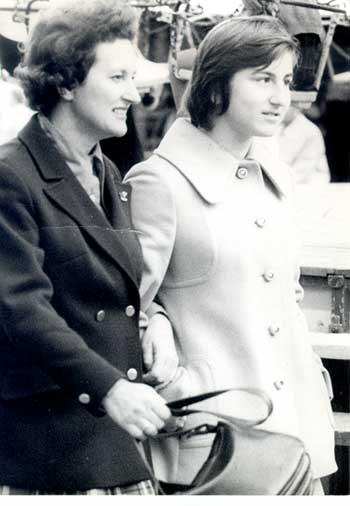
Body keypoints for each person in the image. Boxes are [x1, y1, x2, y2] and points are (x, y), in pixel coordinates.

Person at [125, 15, 336, 494]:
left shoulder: (271, 174)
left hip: (297, 434)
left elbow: (287, 296)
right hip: (216, 443)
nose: (280, 96)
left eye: (285, 80)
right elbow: (124, 303)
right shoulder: (159, 182)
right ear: (217, 84)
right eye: (262, 79)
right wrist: (156, 321)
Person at [0, 0, 177, 495]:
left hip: (113, 446)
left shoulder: (108, 173)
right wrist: (111, 387)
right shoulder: (11, 175)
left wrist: (154, 317)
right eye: (119, 77)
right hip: (51, 452)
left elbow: (111, 285)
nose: (135, 94)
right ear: (66, 82)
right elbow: (18, 308)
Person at [274, 104, 330, 185]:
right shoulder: (275, 126)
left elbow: (302, 170)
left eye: (286, 106)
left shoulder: (311, 131)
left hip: (309, 185)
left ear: (297, 108)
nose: (280, 109)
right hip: (283, 182)